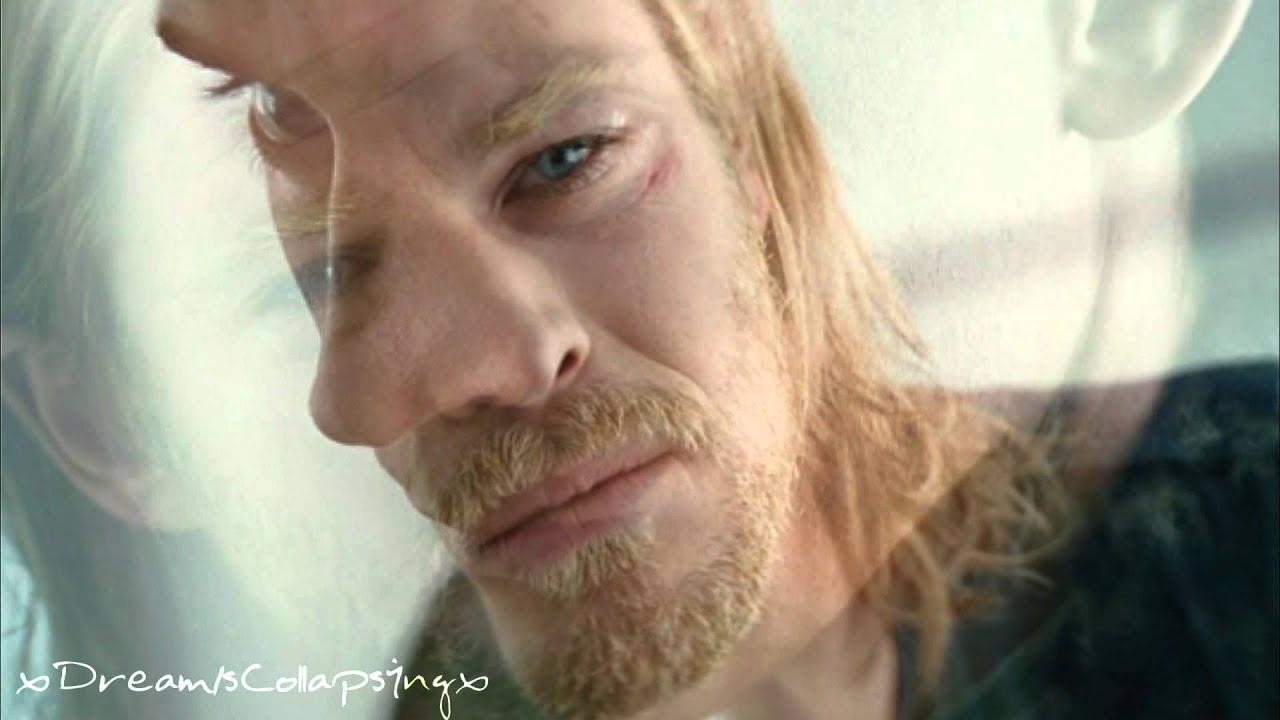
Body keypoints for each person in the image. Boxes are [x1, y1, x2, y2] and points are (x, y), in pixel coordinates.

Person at [151, 1, 1277, 719]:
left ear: (755, 155)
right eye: (338, 275)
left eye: (564, 162)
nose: (385, 392)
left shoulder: (1236, 532)